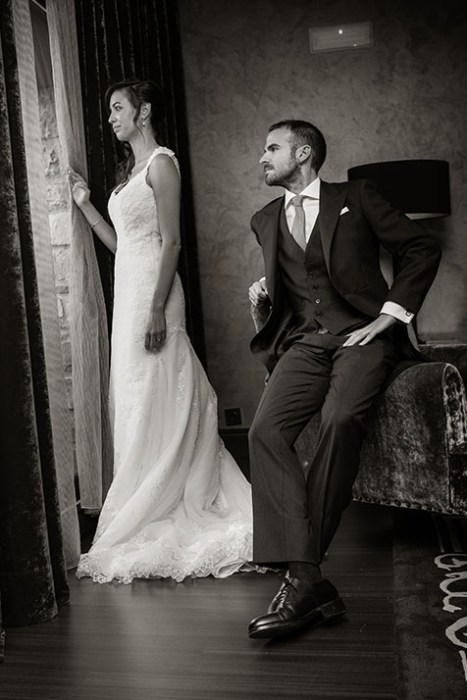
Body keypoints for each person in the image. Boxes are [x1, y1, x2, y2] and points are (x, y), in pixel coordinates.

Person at [247, 120, 441, 639]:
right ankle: (308, 579)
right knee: (264, 432)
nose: (262, 157)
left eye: (272, 148)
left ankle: (302, 579)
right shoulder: (265, 219)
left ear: (303, 152)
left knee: (338, 418)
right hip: (305, 343)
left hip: (363, 337)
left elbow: (420, 247)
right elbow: (297, 282)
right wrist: (265, 295)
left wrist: (390, 315)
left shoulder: (357, 197)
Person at [69, 79, 253, 583]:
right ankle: (145, 494)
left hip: (156, 293)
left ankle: (170, 493)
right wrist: (85, 204)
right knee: (137, 395)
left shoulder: (161, 163)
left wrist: (155, 309)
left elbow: (171, 243)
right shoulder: (130, 173)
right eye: (109, 110)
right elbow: (122, 246)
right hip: (130, 292)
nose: (111, 118)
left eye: (118, 108)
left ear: (144, 111)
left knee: (159, 385)